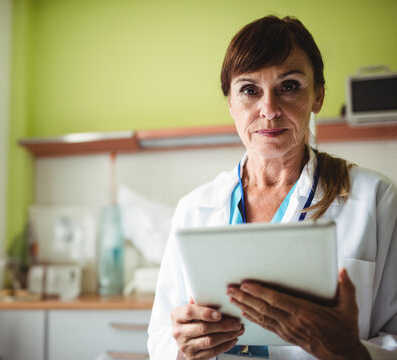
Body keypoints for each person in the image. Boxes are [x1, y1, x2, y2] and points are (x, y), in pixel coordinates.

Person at [147, 15, 397, 360]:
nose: (269, 109)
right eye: (249, 90)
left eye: (289, 86)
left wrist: (350, 352)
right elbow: (161, 335)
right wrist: (183, 349)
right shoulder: (195, 208)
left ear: (318, 96)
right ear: (231, 104)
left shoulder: (377, 200)